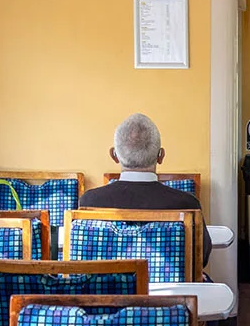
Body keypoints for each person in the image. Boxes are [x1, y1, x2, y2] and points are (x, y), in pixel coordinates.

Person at [79, 113, 211, 266]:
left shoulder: (89, 201)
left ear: (114, 155)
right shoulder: (187, 203)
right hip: (172, 289)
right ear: (161, 156)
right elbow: (202, 258)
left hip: (107, 288)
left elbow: (82, 260)